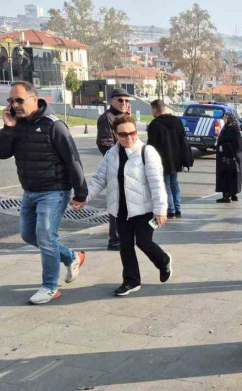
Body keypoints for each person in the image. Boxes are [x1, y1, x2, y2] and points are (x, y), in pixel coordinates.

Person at [0, 81, 88, 305]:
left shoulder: (54, 125)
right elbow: (1, 153)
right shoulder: (16, 125)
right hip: (30, 191)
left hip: (54, 191)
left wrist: (81, 193)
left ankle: (50, 287)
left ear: (34, 100)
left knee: (46, 237)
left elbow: (73, 159)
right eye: (11, 101)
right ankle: (72, 256)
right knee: (29, 235)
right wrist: (7, 128)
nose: (15, 105)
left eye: (19, 100)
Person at [73, 114, 172, 296]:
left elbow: (157, 183)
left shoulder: (146, 152)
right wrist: (83, 198)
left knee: (144, 242)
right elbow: (98, 180)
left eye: (132, 133)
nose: (129, 137)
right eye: (123, 134)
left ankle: (163, 260)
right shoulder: (111, 154)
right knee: (125, 246)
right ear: (115, 134)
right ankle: (131, 281)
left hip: (144, 209)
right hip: (120, 210)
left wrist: (160, 209)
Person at [96, 88, 131, 251]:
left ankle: (126, 235)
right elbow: (104, 143)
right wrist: (119, 155)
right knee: (116, 203)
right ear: (111, 101)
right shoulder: (107, 118)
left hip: (129, 166)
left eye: (127, 100)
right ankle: (115, 239)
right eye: (120, 100)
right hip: (116, 166)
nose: (124, 103)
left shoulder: (124, 117)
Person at [148, 99, 193, 219]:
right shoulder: (177, 121)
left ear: (155, 109)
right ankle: (177, 208)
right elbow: (182, 140)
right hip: (176, 158)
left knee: (166, 184)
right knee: (174, 183)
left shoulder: (154, 124)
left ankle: (171, 209)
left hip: (162, 159)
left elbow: (150, 146)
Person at [215, 110, 242, 203]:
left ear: (230, 118)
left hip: (228, 157)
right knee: (233, 175)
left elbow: (236, 145)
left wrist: (223, 147)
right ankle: (233, 194)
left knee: (226, 175)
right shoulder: (231, 127)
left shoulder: (231, 128)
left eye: (226, 117)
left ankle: (227, 196)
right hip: (232, 157)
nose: (224, 118)